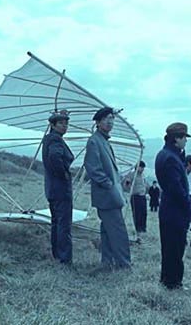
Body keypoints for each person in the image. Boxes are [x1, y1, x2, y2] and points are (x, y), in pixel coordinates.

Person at [84, 107, 131, 269]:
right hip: (107, 195)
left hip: (110, 194)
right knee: (118, 230)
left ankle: (107, 262)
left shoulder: (103, 140)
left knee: (107, 230)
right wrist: (109, 185)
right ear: (97, 122)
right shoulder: (94, 141)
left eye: (112, 118)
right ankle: (124, 265)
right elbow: (93, 169)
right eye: (106, 119)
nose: (110, 122)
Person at [155, 122, 191, 290]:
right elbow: (176, 189)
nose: (186, 141)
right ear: (177, 138)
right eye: (184, 137)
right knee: (175, 248)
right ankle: (173, 283)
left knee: (169, 247)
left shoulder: (164, 154)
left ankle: (167, 280)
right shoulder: (171, 158)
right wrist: (187, 205)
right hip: (175, 210)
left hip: (168, 209)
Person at [42, 110, 74, 264]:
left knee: (56, 222)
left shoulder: (48, 139)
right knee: (64, 223)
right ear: (53, 125)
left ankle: (57, 254)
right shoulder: (55, 140)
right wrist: (64, 175)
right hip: (60, 189)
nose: (64, 126)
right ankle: (64, 258)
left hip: (52, 188)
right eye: (61, 123)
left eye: (66, 123)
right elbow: (55, 157)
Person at [123, 160, 149, 238]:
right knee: (137, 213)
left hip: (142, 196)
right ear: (138, 167)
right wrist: (129, 186)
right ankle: (138, 229)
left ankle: (143, 228)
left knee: (143, 213)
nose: (142, 169)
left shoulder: (143, 175)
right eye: (141, 167)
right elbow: (126, 184)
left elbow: (144, 184)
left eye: (143, 168)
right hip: (135, 196)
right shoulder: (132, 175)